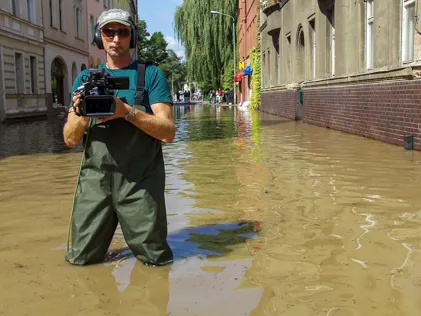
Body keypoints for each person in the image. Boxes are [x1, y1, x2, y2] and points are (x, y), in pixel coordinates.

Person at [63, 9, 174, 266]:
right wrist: (82, 111)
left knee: (155, 261)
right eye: (108, 31)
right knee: (81, 259)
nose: (115, 38)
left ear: (132, 37)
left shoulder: (151, 75)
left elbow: (168, 132)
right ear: (98, 36)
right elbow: (69, 139)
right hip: (95, 182)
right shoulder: (84, 79)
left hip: (140, 183)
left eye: (122, 32)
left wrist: (126, 112)